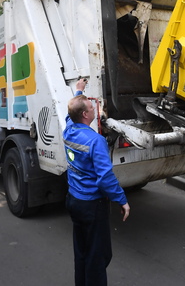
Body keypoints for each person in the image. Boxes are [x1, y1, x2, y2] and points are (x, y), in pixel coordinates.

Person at [64, 78, 131, 286]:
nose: (95, 110)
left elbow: (70, 113)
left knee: (82, 252)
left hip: (74, 201)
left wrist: (78, 91)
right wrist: (122, 200)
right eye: (92, 107)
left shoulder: (68, 128)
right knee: (98, 256)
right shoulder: (96, 141)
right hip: (93, 206)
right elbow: (105, 179)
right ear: (85, 115)